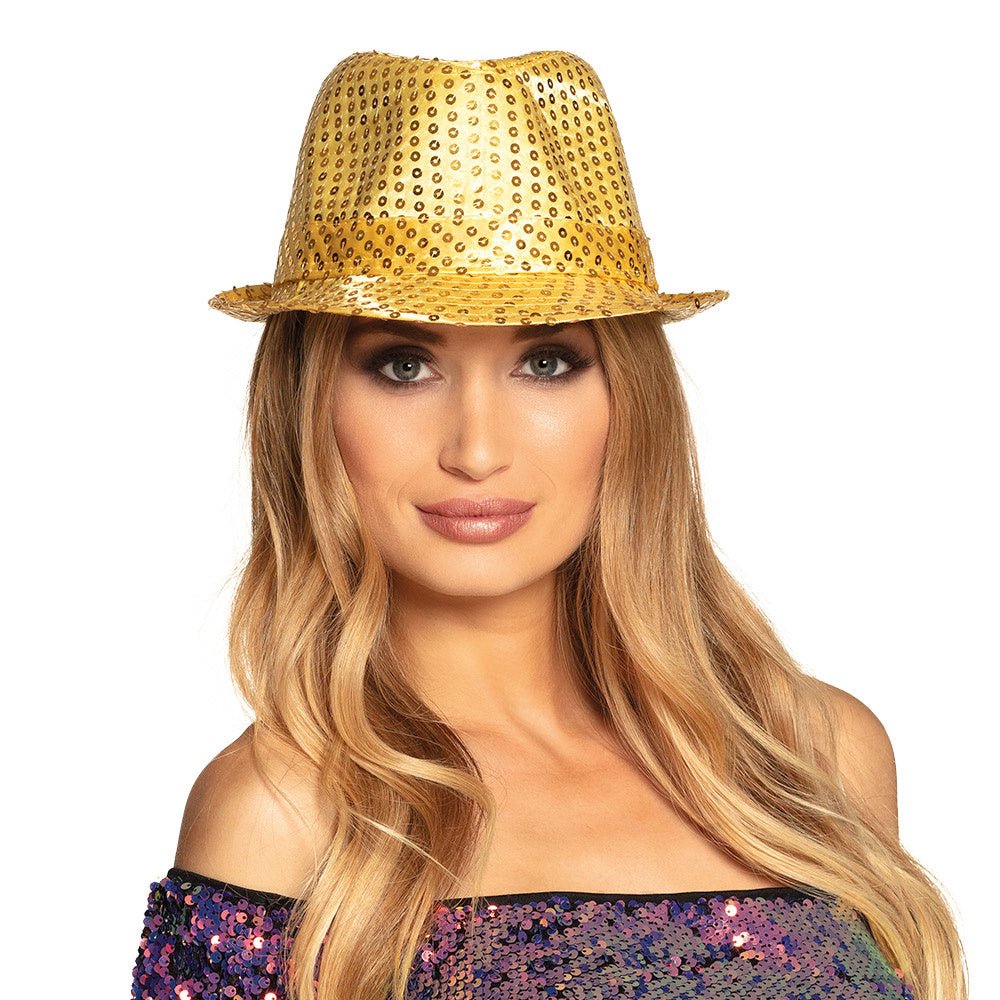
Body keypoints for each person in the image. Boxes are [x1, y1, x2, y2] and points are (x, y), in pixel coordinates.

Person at [129, 49, 966, 1000]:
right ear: (308, 403)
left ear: (629, 399)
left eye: (546, 363)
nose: (477, 449)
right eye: (403, 364)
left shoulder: (813, 755)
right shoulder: (282, 814)